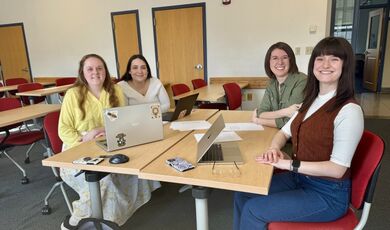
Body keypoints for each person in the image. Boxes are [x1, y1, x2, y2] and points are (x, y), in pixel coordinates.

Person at [234, 37, 364, 230]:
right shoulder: (310, 101)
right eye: (320, 59)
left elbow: (337, 169)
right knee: (242, 194)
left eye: (334, 59)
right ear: (313, 65)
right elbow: (283, 133)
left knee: (254, 209)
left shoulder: (349, 110)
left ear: (345, 65)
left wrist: (287, 164)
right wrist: (274, 148)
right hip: (300, 179)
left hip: (327, 193)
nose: (325, 64)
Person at [59, 54, 160, 229]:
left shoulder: (115, 91)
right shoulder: (72, 94)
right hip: (77, 149)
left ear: (105, 70)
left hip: (109, 144)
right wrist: (84, 139)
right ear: (82, 72)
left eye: (100, 68)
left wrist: (104, 131)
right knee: (103, 180)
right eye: (90, 69)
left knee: (135, 165)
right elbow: (63, 130)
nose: (95, 72)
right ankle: (76, 221)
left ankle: (110, 220)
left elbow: (123, 120)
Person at [252, 42, 307, 128]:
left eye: (284, 58)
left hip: (295, 138)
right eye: (275, 58)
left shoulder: (302, 80)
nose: (280, 62)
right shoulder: (272, 82)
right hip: (275, 132)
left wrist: (258, 121)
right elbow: (261, 112)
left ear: (290, 60)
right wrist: (285, 112)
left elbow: (289, 122)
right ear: (269, 62)